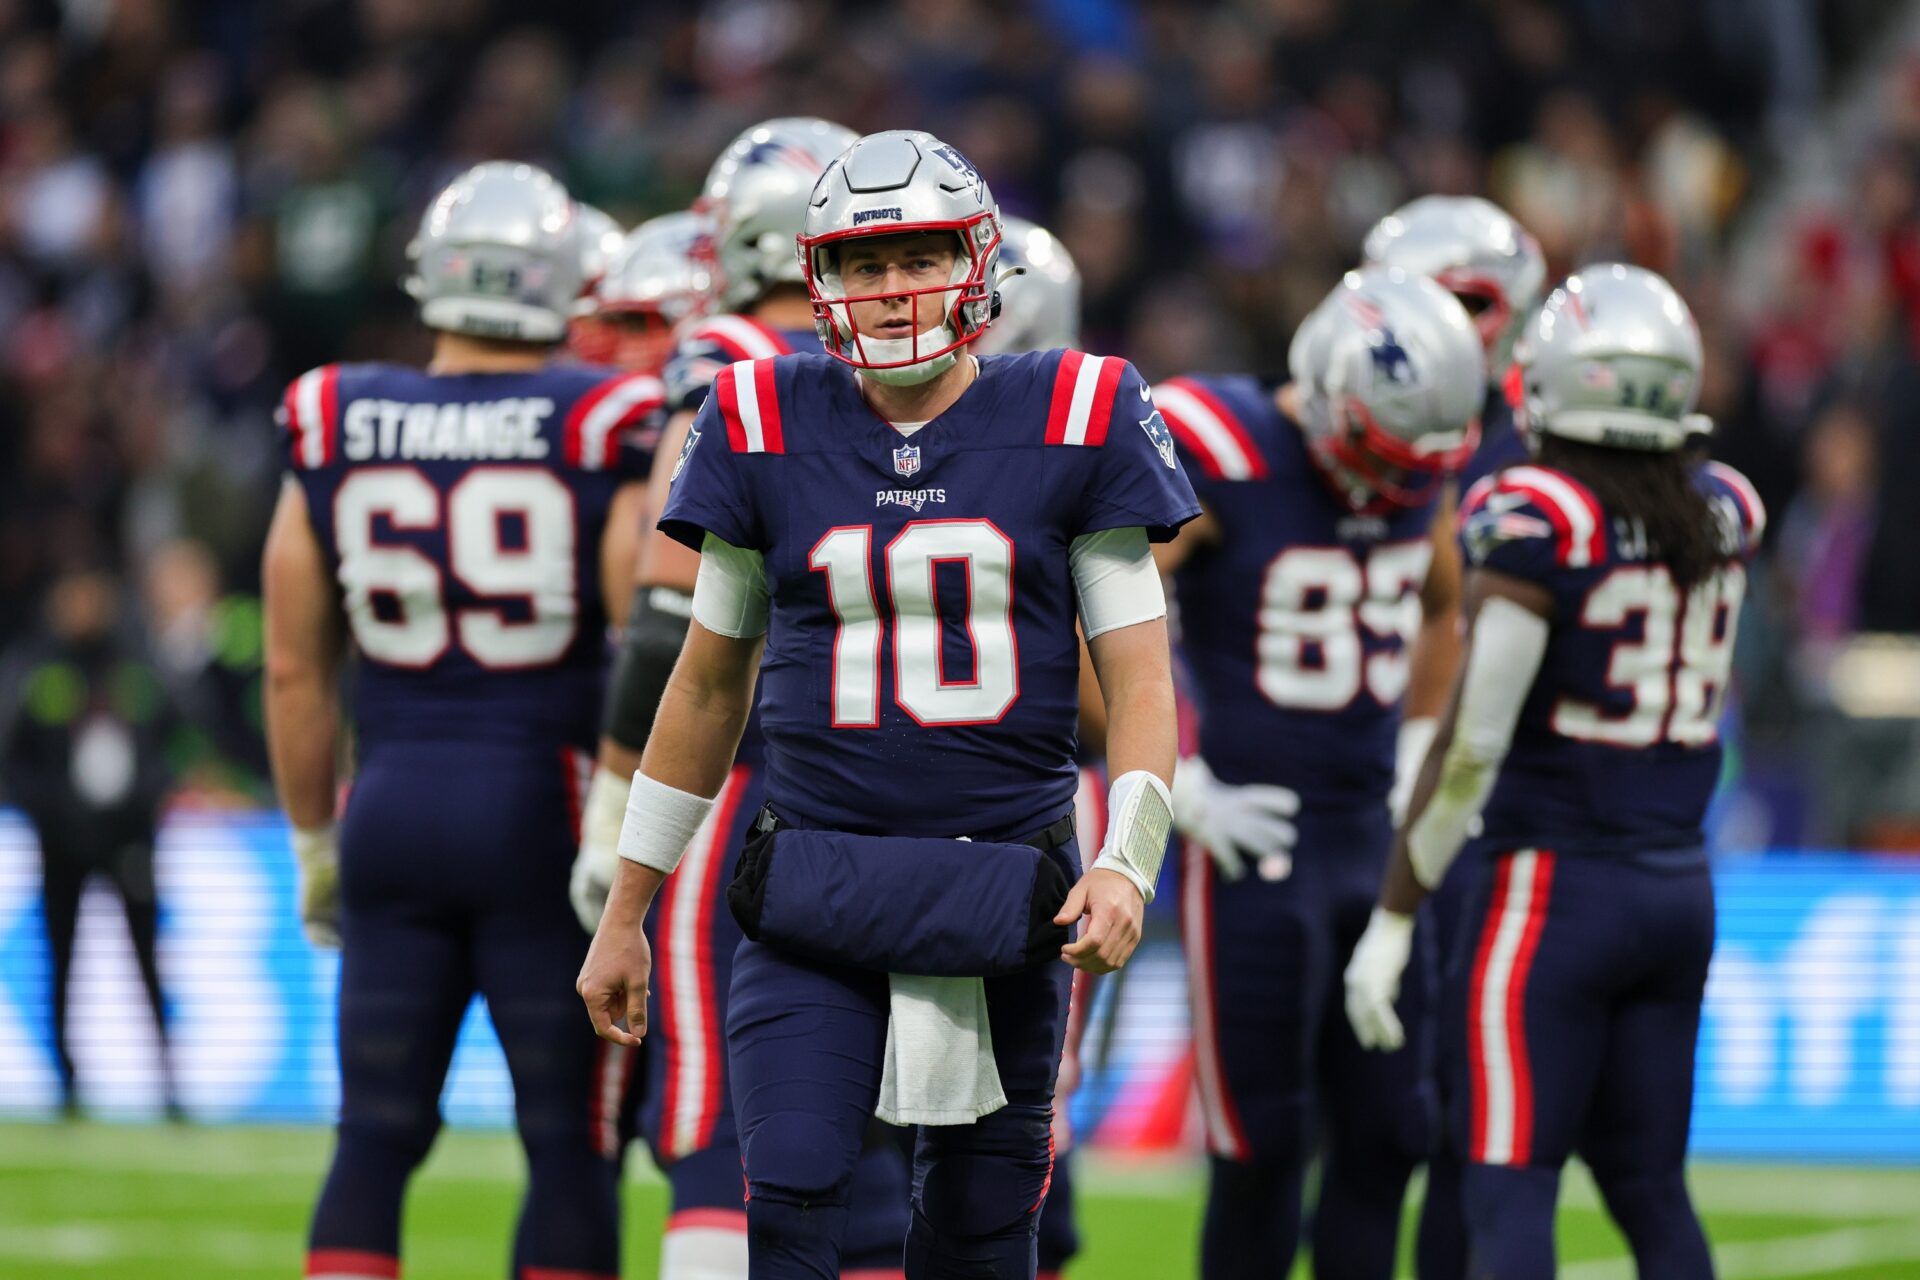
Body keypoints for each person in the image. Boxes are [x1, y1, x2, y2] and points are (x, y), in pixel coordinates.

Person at [577, 129, 1199, 1280]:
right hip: (817, 878)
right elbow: (709, 679)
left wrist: (1130, 857)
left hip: (1006, 884)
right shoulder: (759, 413)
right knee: (795, 1202)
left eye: (916, 255)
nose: (894, 287)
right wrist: (631, 904)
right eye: (864, 265)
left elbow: (1141, 672)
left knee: (979, 1231)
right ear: (818, 278)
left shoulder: (1082, 405)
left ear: (975, 262)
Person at [262, 161, 659, 1280]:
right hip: (547, 807)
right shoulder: (601, 417)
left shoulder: (335, 412)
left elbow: (296, 666)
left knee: (374, 1136)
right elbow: (651, 629)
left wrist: (311, 837)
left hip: (388, 803)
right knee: (569, 1148)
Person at [1344, 264, 1763, 1280]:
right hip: (1677, 883)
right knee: (1651, 1188)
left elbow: (1475, 743)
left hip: (1553, 892)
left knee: (1508, 1183)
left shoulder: (1540, 515)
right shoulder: (1721, 506)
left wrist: (1397, 912)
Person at [566, 117, 921, 1280]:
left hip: (752, 784)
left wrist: (619, 801)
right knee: (888, 1144)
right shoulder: (949, 386)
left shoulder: (726, 369)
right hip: (919, 781)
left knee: (723, 1123)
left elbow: (669, 610)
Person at [1153, 266, 1484, 1279]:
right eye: (1377, 461)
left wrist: (1420, 751)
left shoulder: (1417, 458)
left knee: (1392, 1134)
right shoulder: (1220, 446)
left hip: (1369, 839)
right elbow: (1093, 605)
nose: (1392, 490)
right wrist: (1171, 775)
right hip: (1253, 836)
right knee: (1260, 1143)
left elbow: (1441, 604)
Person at [1361, 193, 1546, 1279]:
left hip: (1500, 799)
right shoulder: (1362, 420)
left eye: (1466, 300)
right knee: (1381, 1113)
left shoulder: (1540, 444)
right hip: (1363, 787)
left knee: (1470, 1115)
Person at [0, 563, 185, 1118]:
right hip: (61, 845)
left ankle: (170, 1082)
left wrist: (142, 805)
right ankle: (68, 1085)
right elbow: (12, 761)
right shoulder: (36, 671)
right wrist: (53, 815)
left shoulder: (137, 667)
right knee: (63, 963)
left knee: (148, 961)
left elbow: (177, 742)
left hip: (130, 841)